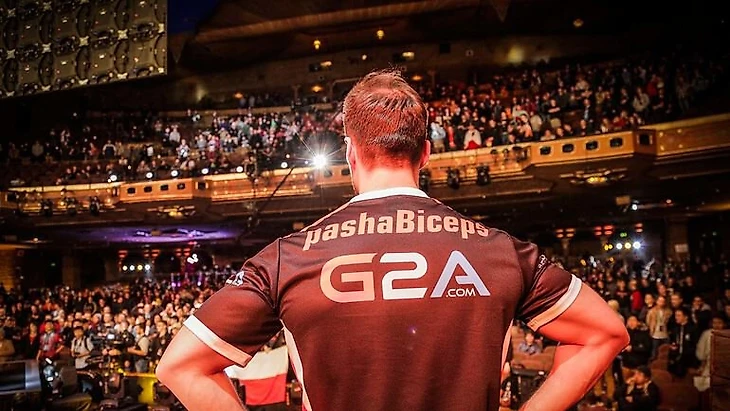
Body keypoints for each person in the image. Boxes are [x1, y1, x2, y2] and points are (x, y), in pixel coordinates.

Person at [157, 69, 629, 411]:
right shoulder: (501, 251)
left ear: (349, 153)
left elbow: (179, 366)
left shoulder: (287, 258)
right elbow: (605, 333)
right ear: (425, 152)